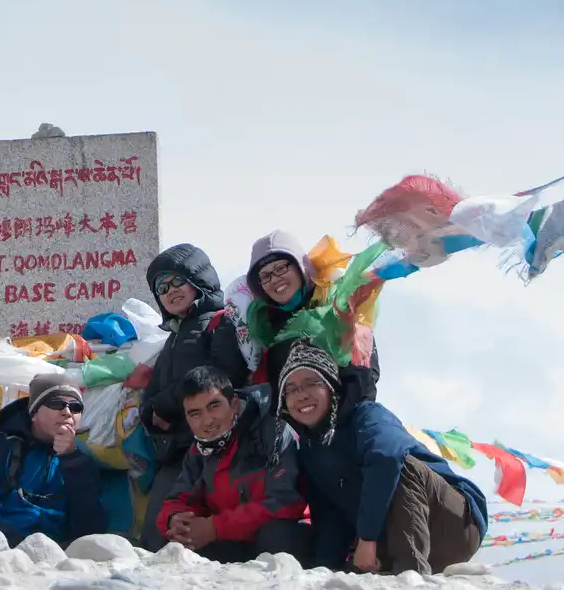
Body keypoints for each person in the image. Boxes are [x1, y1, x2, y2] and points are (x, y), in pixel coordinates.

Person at [276, 339, 487, 574]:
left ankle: (411, 576)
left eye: (311, 383)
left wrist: (366, 537)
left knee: (401, 466)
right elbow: (329, 519)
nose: (301, 395)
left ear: (331, 387)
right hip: (394, 537)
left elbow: (385, 459)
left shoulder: (367, 415)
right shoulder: (309, 451)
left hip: (456, 526)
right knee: (345, 573)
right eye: (291, 389)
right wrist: (323, 572)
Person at [139, 243, 251, 547]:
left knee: (203, 538)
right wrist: (149, 412)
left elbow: (222, 374)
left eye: (178, 280)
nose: (171, 290)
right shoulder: (174, 337)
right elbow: (154, 389)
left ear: (198, 280)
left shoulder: (220, 323)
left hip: (216, 449)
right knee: (157, 535)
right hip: (177, 452)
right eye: (162, 287)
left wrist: (163, 404)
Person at [153, 365, 311, 563]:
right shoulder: (199, 450)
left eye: (214, 406)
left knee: (277, 534)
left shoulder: (273, 433)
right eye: (195, 413)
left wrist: (215, 528)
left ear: (234, 403)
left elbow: (287, 503)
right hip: (229, 538)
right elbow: (178, 498)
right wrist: (175, 520)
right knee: (175, 543)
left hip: (280, 539)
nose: (207, 421)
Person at [0, 373, 109, 547]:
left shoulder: (81, 459)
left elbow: (92, 526)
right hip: (3, 547)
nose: (67, 412)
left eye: (75, 407)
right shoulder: (1, 448)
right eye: (57, 404)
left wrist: (71, 460)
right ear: (34, 413)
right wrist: (14, 545)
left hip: (60, 553)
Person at [245, 230, 380, 401]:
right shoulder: (265, 322)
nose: (274, 279)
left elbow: (365, 373)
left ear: (301, 267)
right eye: (265, 276)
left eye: (280, 268)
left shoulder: (339, 304)